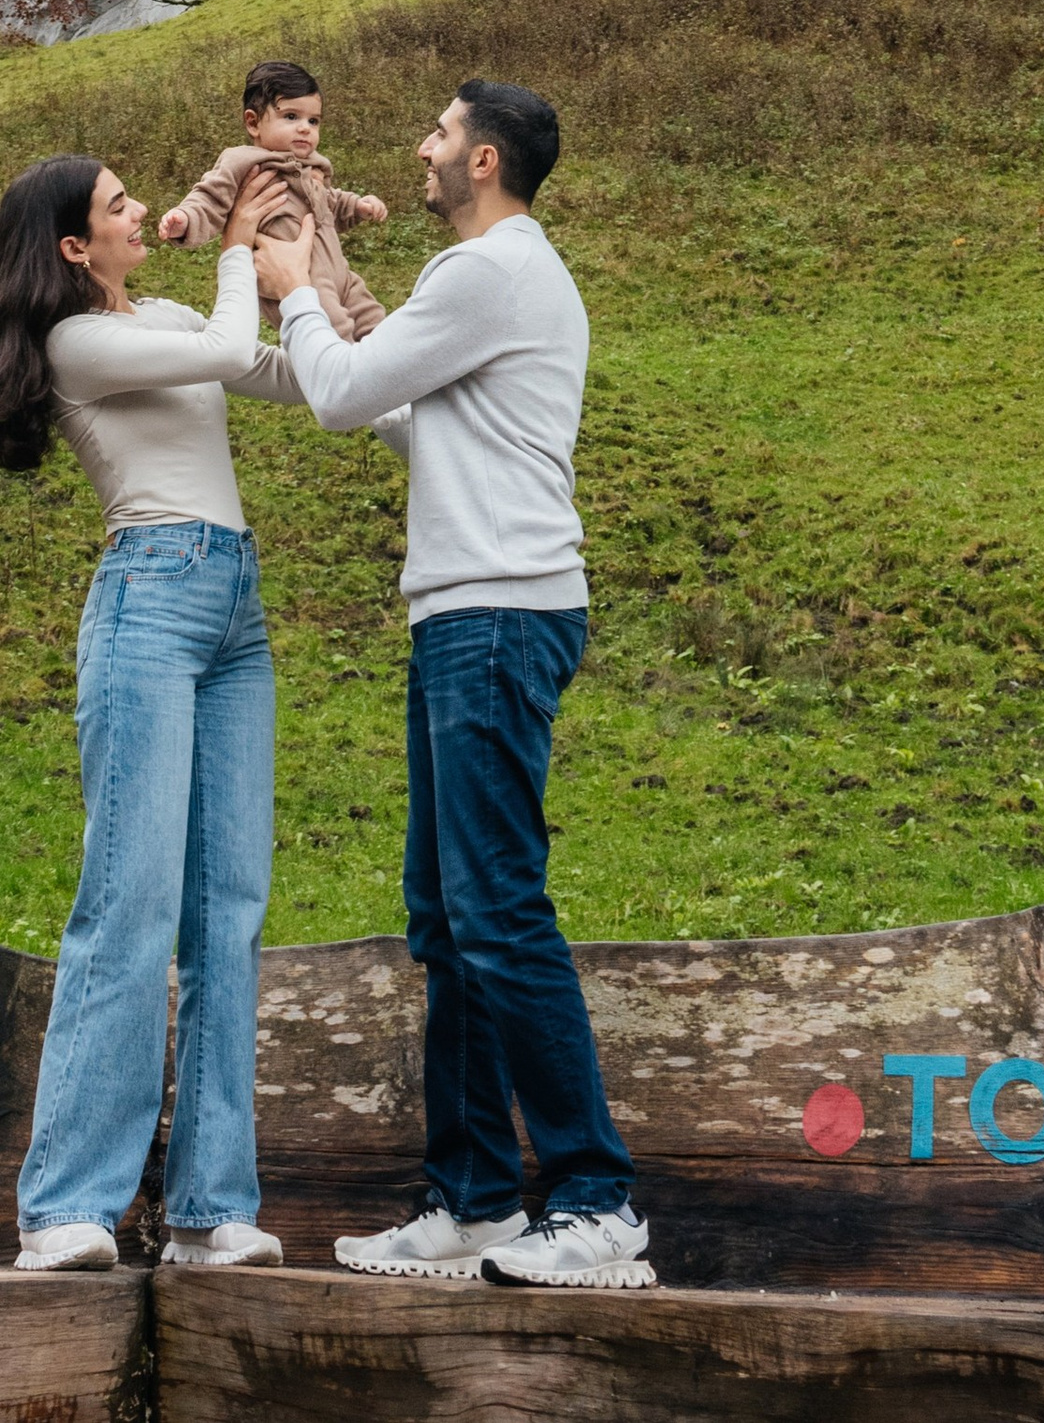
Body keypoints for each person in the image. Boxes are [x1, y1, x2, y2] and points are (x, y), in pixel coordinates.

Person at [249, 76, 653, 1294]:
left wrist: (296, 294)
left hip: (495, 610)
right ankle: (474, 1199)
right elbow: (407, 417)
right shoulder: (500, 284)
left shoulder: (488, 271)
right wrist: (249, 344)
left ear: (482, 161)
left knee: (497, 908)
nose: (419, 149)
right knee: (449, 916)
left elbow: (338, 388)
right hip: (468, 611)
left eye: (437, 133)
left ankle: (595, 1201)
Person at [0, 153, 302, 1275]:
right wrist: (237, 253)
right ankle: (64, 1204)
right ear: (73, 246)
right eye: (115, 207)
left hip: (233, 611)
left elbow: (269, 368)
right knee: (130, 900)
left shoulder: (158, 313)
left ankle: (209, 1206)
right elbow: (219, 342)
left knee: (228, 909)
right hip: (148, 602)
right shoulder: (77, 340)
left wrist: (374, 345)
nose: (134, 213)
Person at [158, 56, 389, 339]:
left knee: (375, 322)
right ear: (253, 123)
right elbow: (209, 197)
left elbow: (328, 202)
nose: (305, 127)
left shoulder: (312, 167)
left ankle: (386, 361)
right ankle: (339, 368)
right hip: (294, 278)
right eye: (291, 117)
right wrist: (185, 218)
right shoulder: (243, 162)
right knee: (332, 330)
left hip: (340, 272)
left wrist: (357, 206)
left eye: (313, 120)